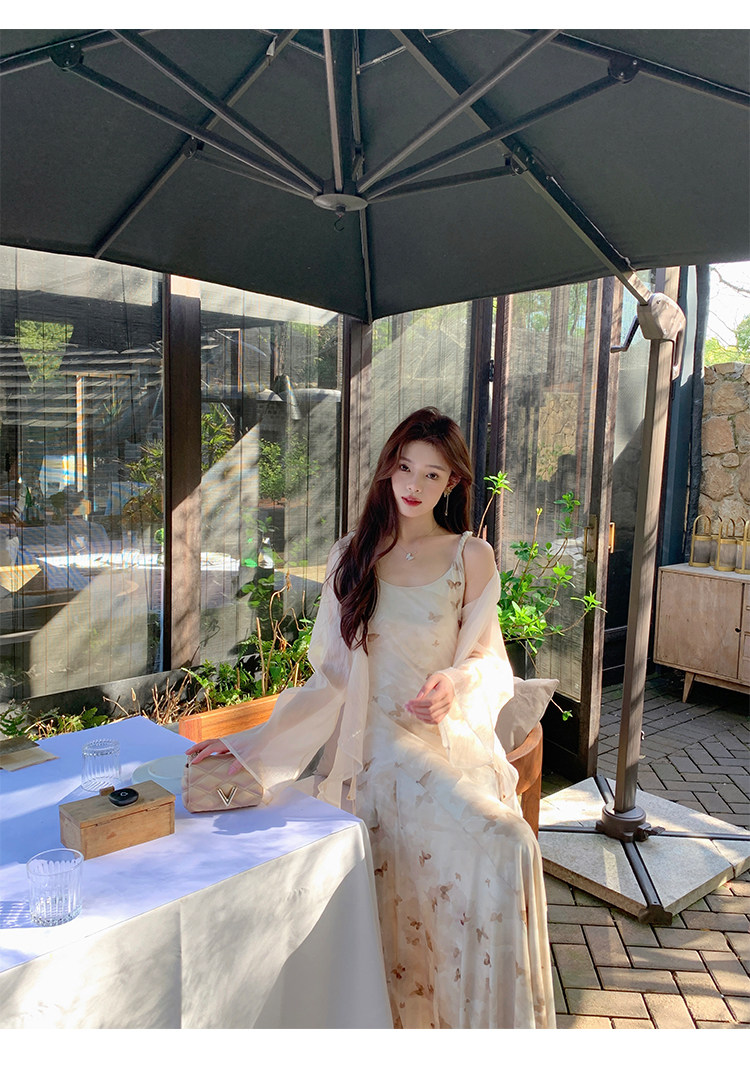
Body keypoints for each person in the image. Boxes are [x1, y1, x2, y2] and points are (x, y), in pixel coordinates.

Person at [187, 407, 555, 1029]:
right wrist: (251, 746)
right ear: (388, 468)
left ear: (452, 483)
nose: (414, 484)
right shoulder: (352, 556)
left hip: (441, 746)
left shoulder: (470, 556)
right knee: (490, 852)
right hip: (373, 751)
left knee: (510, 842)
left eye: (432, 474)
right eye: (405, 467)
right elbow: (330, 679)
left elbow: (493, 663)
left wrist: (455, 681)